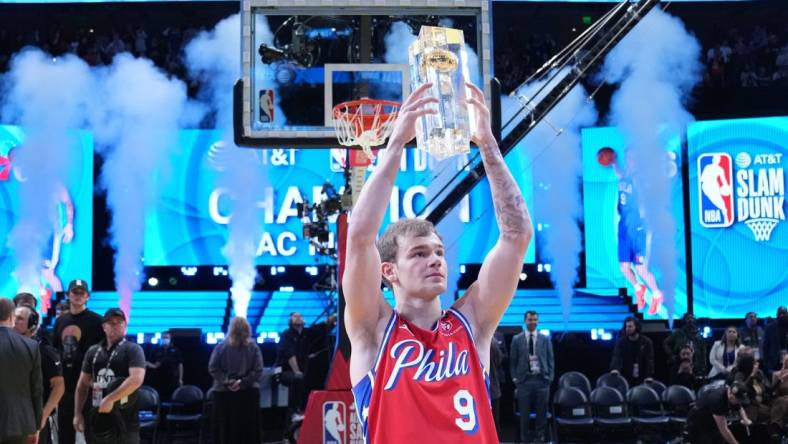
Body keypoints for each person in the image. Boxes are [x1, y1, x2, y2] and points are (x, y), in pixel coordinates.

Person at [343, 82, 532, 442]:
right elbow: (360, 239)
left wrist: (488, 146)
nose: (435, 260)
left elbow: (517, 236)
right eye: (418, 253)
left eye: (439, 252)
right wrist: (396, 143)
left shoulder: (471, 324)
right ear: (389, 271)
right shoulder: (373, 329)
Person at [74, 308, 146, 444]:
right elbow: (82, 384)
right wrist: (77, 413)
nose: (116, 326)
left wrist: (110, 399)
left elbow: (136, 379)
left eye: (119, 322)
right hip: (98, 417)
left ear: (125, 326)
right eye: (111, 323)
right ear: (104, 327)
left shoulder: (133, 349)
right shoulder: (93, 351)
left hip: (125, 419)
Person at [52, 279, 104, 444]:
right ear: (68, 295)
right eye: (75, 292)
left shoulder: (97, 321)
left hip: (89, 387)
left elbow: (104, 354)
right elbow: (56, 352)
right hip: (66, 387)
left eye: (82, 292)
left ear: (88, 296)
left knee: (92, 435)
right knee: (65, 436)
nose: (78, 295)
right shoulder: (60, 321)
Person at [612, 149, 663, 315]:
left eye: (633, 158)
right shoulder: (626, 175)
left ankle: (656, 294)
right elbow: (620, 175)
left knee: (642, 269)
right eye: (628, 158)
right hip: (624, 226)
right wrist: (612, 161)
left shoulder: (641, 179)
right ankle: (638, 287)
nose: (630, 161)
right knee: (624, 268)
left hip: (639, 227)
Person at [14, 304, 64, 444]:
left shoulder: (43, 351)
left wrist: (43, 416)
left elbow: (59, 386)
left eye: (20, 318)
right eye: (13, 317)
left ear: (32, 324)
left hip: (32, 420)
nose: (14, 321)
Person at [208, 317, 262, 444]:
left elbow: (213, 368)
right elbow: (258, 370)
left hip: (223, 393)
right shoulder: (254, 347)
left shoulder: (220, 347)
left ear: (230, 329)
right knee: (249, 429)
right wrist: (242, 383)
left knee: (224, 428)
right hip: (248, 392)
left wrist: (227, 382)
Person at [276, 311, 336, 421]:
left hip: (303, 372)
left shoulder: (307, 333)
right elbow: (290, 355)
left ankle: (311, 412)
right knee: (298, 379)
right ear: (290, 321)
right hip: (286, 372)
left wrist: (335, 317)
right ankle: (294, 411)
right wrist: (297, 371)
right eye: (295, 316)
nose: (298, 317)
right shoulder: (286, 335)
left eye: (300, 316)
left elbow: (323, 326)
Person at [0, 298, 43, 444]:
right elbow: (37, 389)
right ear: (12, 316)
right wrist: (36, 426)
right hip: (20, 423)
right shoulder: (31, 346)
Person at [510, 311, 554, 443]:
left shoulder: (545, 339)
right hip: (524, 381)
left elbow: (551, 359)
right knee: (524, 414)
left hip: (541, 380)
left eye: (535, 320)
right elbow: (513, 360)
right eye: (530, 320)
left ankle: (540, 438)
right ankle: (525, 439)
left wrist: (550, 377)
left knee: (541, 413)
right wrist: (514, 378)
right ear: (525, 321)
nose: (533, 322)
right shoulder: (517, 339)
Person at [687, 381, 752, 444]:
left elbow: (740, 407)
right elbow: (724, 430)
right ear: (730, 394)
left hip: (712, 419)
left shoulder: (732, 396)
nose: (739, 402)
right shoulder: (718, 400)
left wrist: (745, 419)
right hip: (698, 421)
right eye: (738, 399)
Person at [610, 316, 655, 386]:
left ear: (636, 327)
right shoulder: (621, 342)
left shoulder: (646, 342)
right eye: (626, 327)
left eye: (630, 326)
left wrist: (649, 376)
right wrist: (615, 369)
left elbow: (649, 360)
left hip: (642, 375)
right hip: (626, 375)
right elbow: (616, 357)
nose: (627, 329)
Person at [145, 331, 183, 400]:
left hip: (172, 379)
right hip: (158, 379)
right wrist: (154, 366)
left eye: (167, 337)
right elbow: (147, 362)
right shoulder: (155, 350)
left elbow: (180, 365)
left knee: (172, 398)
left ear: (170, 339)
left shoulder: (175, 350)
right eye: (163, 337)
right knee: (159, 398)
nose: (165, 339)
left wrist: (180, 379)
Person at [763, 306, 788, 377]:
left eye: (784, 313)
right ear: (776, 315)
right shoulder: (770, 327)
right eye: (780, 313)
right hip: (774, 361)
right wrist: (766, 363)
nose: (781, 315)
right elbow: (765, 346)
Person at [769, 353, 788, 444]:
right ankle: (777, 429)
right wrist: (780, 380)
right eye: (785, 360)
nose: (786, 362)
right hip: (781, 400)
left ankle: (779, 430)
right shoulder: (776, 374)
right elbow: (773, 393)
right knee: (782, 401)